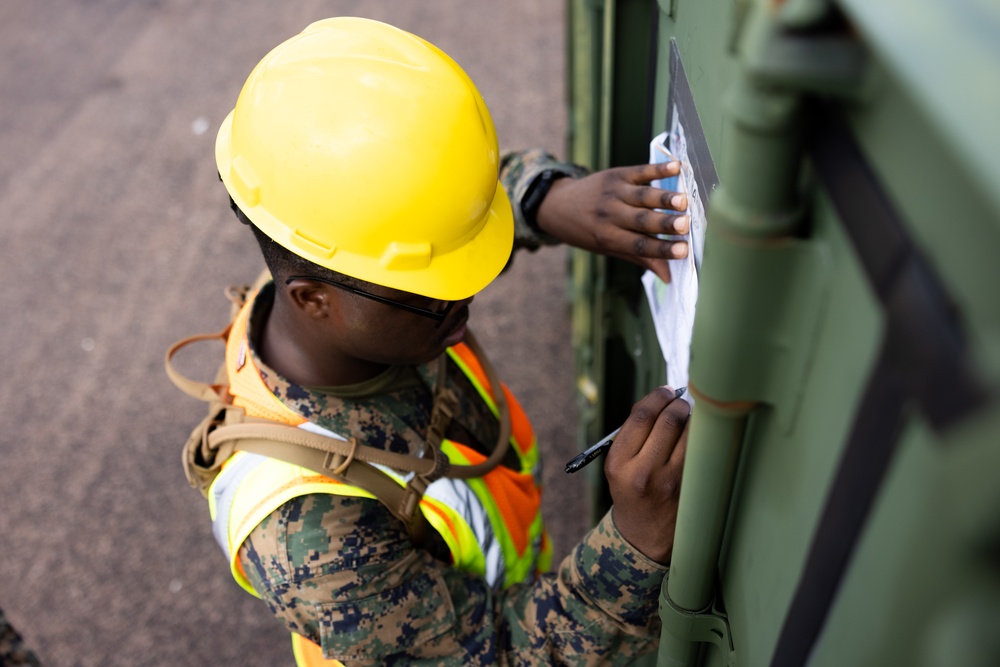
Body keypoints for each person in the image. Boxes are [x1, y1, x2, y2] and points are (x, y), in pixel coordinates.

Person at [169, 17, 691, 666]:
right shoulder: (309, 536)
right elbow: (492, 653)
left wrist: (542, 198)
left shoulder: (339, 275)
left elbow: (433, 214)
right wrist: (634, 545)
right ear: (312, 297)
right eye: (434, 288)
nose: (464, 305)